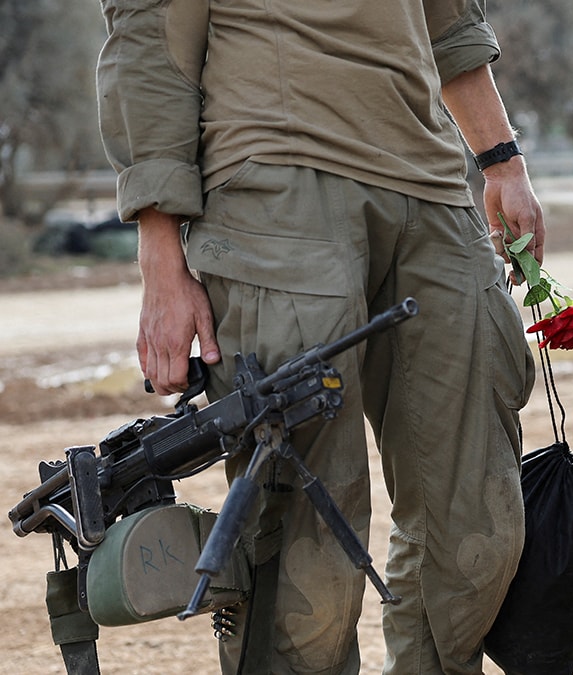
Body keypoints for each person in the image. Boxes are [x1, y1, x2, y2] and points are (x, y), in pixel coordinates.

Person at [95, 1, 543, 673]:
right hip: (274, 182)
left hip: (432, 185)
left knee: (475, 522)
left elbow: (447, 21)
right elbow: (151, 31)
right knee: (306, 536)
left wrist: (502, 160)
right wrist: (160, 254)